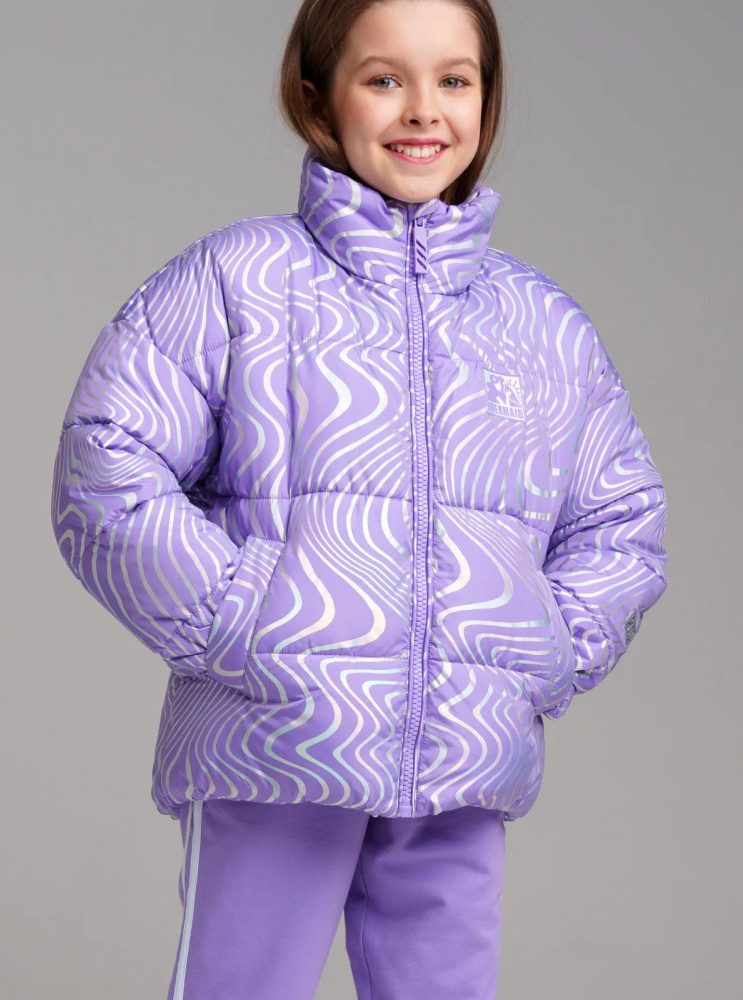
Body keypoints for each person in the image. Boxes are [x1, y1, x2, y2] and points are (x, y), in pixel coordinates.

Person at [49, 1, 669, 998]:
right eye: (385, 78)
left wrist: (539, 647)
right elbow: (103, 470)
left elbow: (623, 524)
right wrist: (245, 620)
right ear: (316, 97)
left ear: (487, 99)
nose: (424, 108)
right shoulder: (240, 282)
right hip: (275, 744)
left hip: (462, 761)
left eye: (455, 79)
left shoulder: (542, 327)